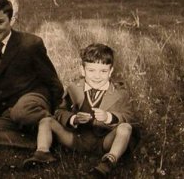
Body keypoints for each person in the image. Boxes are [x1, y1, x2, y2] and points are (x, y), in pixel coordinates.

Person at [24, 43, 139, 178]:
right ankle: (43, 153)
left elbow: (130, 118)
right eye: (91, 70)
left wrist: (109, 117)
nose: (97, 76)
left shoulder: (120, 93)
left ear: (111, 71)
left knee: (125, 128)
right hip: (75, 138)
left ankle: (109, 161)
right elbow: (59, 112)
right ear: (82, 70)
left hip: (104, 141)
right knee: (46, 121)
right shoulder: (74, 89)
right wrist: (73, 119)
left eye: (103, 71)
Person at [0, 0, 64, 149]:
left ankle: (52, 126)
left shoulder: (30, 43)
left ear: (11, 20)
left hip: (32, 105)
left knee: (21, 112)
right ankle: (41, 140)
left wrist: (59, 111)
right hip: (5, 113)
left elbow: (52, 82)